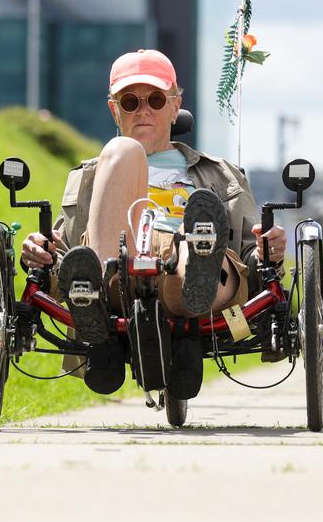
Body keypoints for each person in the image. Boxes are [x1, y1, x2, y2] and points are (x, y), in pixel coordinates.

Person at [20, 48, 287, 396]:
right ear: (114, 109)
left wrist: (271, 249)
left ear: (176, 105)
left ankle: (192, 287)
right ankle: (97, 315)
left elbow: (253, 257)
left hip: (191, 260)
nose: (143, 109)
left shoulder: (221, 174)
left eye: (156, 99)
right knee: (121, 151)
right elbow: (65, 252)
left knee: (195, 248)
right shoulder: (91, 174)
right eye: (130, 101)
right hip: (119, 265)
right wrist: (40, 252)